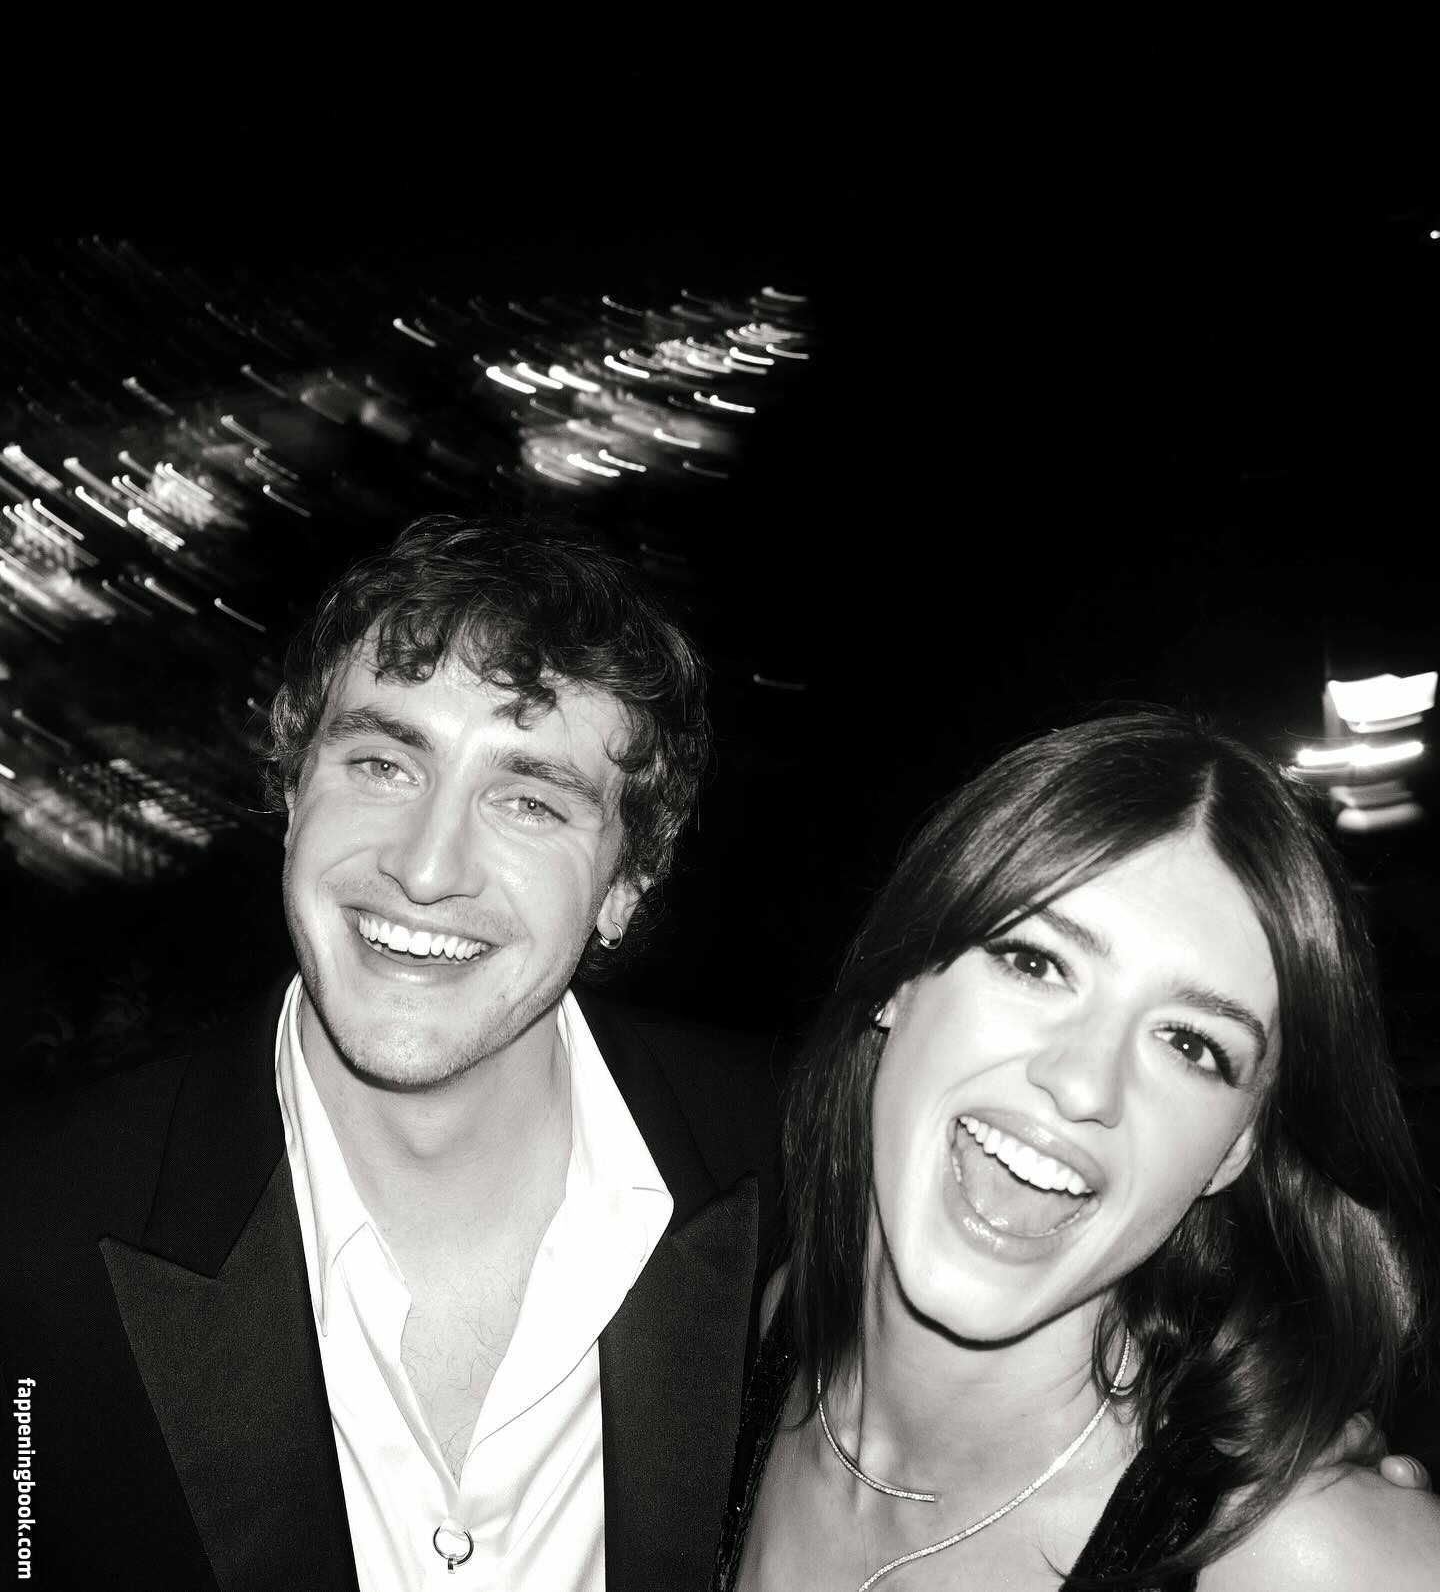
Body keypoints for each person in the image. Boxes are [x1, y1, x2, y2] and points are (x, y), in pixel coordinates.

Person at [4, 513, 783, 1592]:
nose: (425, 868)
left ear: (625, 885)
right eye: (382, 763)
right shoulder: (31, 1232)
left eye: (528, 801)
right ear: (292, 793)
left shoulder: (804, 1176)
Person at [715, 709, 1440, 1590]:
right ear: (900, 979)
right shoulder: (738, 1334)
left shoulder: (1302, 1559)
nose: (1085, 1084)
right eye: (1036, 963)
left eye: (1190, 1045)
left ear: (1234, 1150)